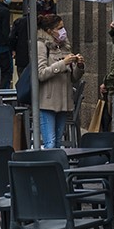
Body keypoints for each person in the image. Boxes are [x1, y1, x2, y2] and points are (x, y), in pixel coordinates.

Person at [36, 12, 84, 148]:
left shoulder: (65, 46)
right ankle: (50, 168)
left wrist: (79, 66)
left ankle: (58, 168)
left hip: (64, 101)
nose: (63, 31)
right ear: (50, 31)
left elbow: (73, 77)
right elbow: (40, 73)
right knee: (50, 143)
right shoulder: (41, 46)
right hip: (47, 101)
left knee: (58, 142)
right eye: (60, 28)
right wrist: (63, 63)